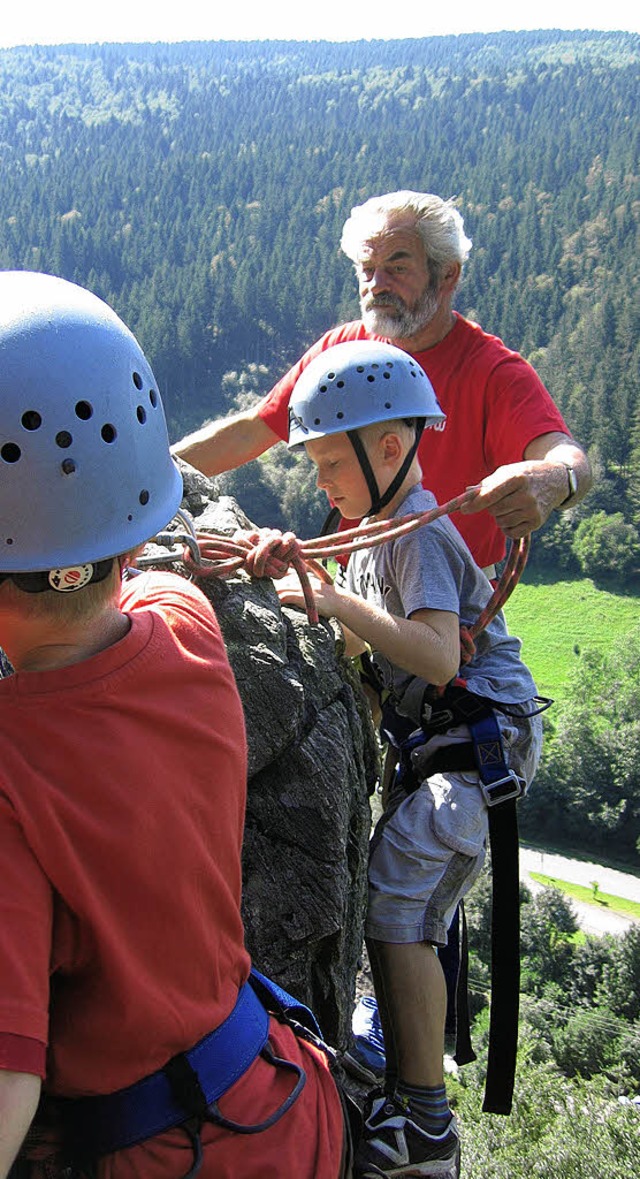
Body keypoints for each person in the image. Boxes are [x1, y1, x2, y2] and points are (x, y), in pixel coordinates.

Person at [0, 271, 348, 1179]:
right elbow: (153, 574)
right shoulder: (187, 628)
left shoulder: (9, 773)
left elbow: (8, 1085)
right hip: (280, 1105)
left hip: (152, 1157)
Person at [276, 339, 543, 1179]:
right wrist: (303, 585)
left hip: (476, 741)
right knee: (395, 898)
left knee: (396, 904)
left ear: (389, 449)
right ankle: (403, 1070)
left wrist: (334, 598)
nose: (321, 482)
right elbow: (361, 634)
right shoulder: (374, 534)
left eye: (330, 461)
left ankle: (426, 1128)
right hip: (453, 746)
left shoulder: (415, 540)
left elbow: (433, 655)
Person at [173, 190, 591, 574]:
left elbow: (567, 458)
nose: (376, 286)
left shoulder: (492, 372)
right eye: (367, 270)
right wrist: (147, 472)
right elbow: (254, 431)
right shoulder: (343, 347)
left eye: (397, 267)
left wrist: (555, 478)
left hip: (449, 598)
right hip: (359, 580)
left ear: (447, 276)